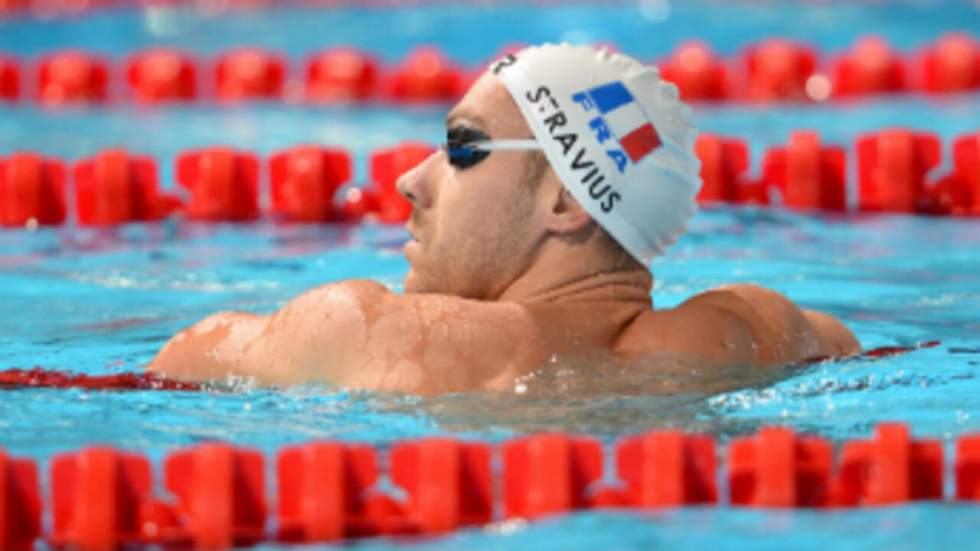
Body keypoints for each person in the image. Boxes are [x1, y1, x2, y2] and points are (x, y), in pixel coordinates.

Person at [147, 44, 859, 395]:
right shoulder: (763, 336)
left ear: (566, 201)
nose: (409, 180)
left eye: (461, 147)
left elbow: (168, 366)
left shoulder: (372, 334)